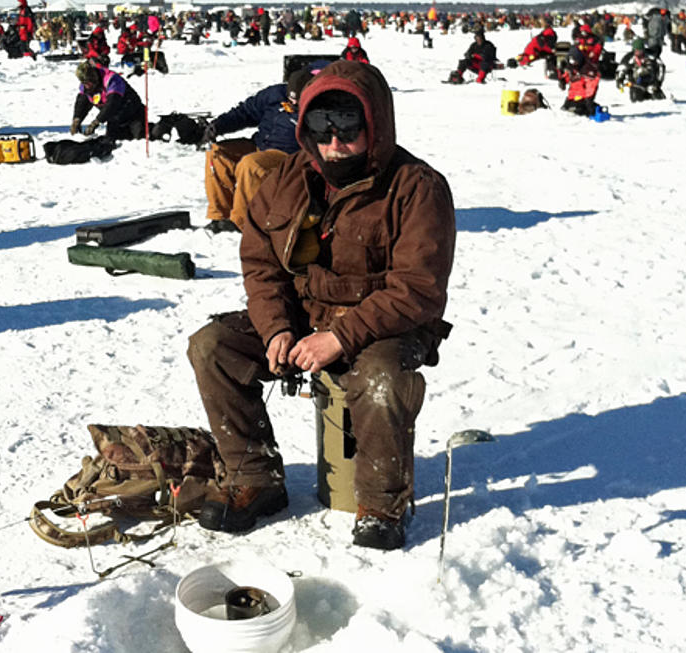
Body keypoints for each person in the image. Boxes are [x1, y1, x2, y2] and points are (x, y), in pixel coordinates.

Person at [186, 60, 456, 551]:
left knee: (378, 378)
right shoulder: (288, 176)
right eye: (321, 128)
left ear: (374, 126)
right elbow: (261, 262)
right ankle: (255, 478)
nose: (335, 142)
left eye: (349, 129)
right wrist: (277, 330)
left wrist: (341, 336)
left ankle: (380, 504)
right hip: (309, 313)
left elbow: (418, 288)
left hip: (389, 322)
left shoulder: (417, 187)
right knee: (213, 347)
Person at [201, 66, 316, 231]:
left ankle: (240, 222)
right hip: (259, 144)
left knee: (251, 165)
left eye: (299, 100)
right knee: (218, 154)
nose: (294, 103)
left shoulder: (317, 108)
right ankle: (220, 214)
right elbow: (246, 111)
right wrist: (219, 125)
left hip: (287, 156)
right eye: (291, 100)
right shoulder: (274, 95)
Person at [70, 61, 145, 140]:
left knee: (140, 136)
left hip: (133, 114)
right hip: (115, 119)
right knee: (112, 139)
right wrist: (77, 119)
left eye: (88, 82)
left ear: (94, 77)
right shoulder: (86, 86)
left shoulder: (111, 79)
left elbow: (112, 103)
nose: (87, 86)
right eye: (84, 83)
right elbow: (82, 102)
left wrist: (96, 122)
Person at [557, 46, 600, 116]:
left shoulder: (587, 69)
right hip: (571, 97)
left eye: (574, 61)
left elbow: (591, 85)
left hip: (583, 98)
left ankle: (594, 109)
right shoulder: (571, 68)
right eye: (571, 61)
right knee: (564, 111)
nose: (573, 63)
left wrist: (588, 99)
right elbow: (567, 77)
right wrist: (562, 81)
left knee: (577, 111)